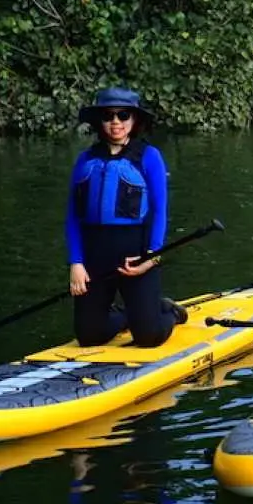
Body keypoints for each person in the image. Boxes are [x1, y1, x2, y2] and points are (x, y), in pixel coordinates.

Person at [67, 86, 182, 348]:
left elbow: (160, 211)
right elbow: (73, 216)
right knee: (88, 336)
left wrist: (151, 258)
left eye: (123, 115)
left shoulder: (149, 157)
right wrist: (76, 263)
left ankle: (169, 313)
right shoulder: (85, 160)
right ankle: (129, 315)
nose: (116, 122)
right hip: (95, 257)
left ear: (134, 120)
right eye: (108, 116)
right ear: (99, 121)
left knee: (148, 338)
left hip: (137, 254)